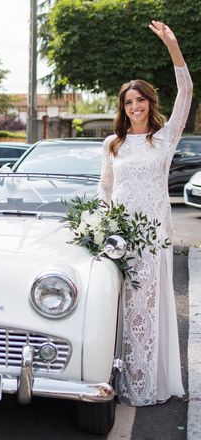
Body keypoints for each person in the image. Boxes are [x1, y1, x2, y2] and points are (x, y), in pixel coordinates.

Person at [97, 21, 192, 406]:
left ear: (151, 103)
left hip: (151, 237)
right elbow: (104, 189)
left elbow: (186, 91)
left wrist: (172, 46)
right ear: (123, 108)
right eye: (128, 102)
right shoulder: (113, 144)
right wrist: (98, 226)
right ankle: (110, 380)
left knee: (144, 310)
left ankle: (143, 383)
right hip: (117, 238)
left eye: (141, 100)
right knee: (112, 307)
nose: (134, 107)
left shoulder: (164, 139)